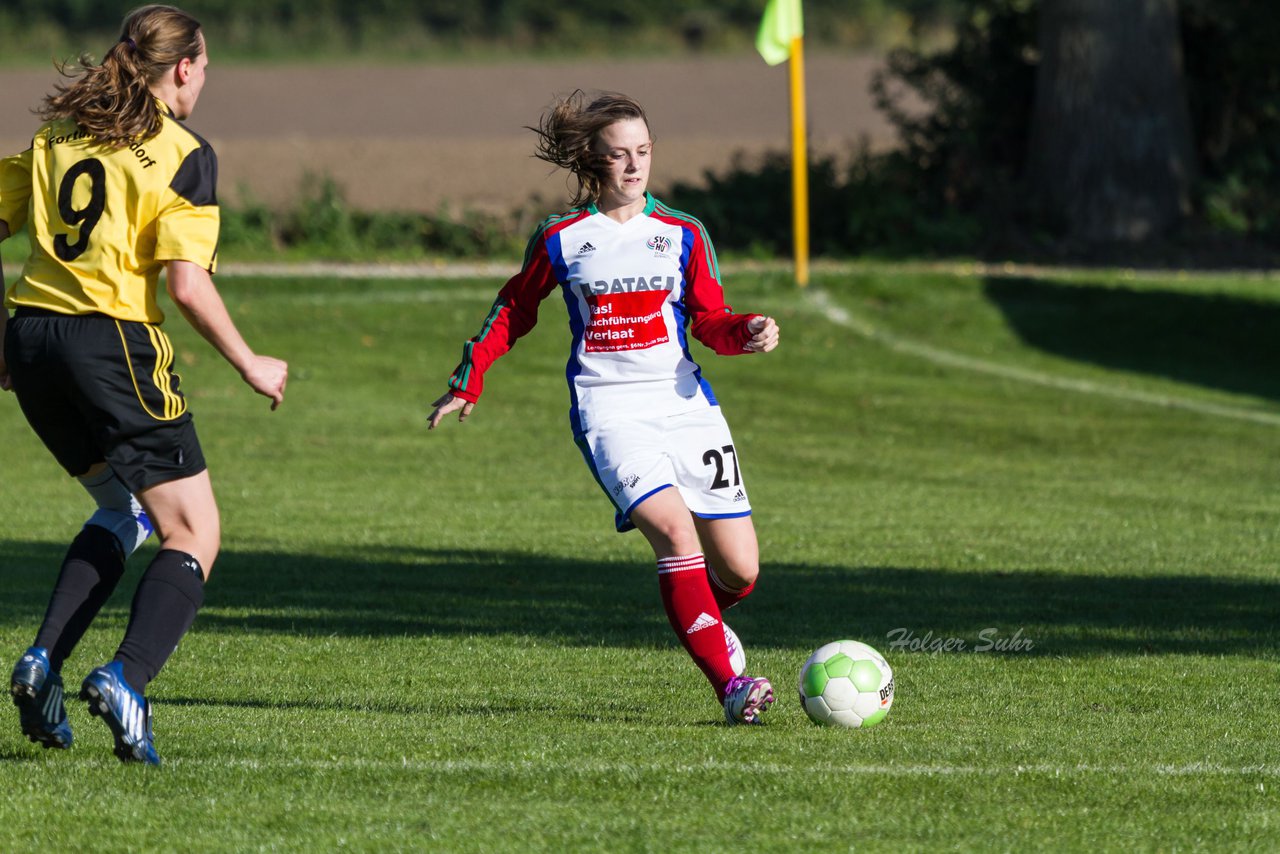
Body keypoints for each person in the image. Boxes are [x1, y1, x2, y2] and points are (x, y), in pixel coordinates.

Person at [429, 91, 781, 725]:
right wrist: (468, 379)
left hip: (686, 406)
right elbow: (514, 309)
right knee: (675, 535)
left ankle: (698, 616)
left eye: (643, 152)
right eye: (619, 155)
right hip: (610, 412)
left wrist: (747, 329)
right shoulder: (563, 238)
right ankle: (732, 685)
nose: (634, 165)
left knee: (741, 568)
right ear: (592, 160)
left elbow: (710, 319)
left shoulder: (682, 233)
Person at [0, 4, 288, 765]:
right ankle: (126, 678)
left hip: (31, 338)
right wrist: (250, 361)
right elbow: (187, 286)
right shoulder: (184, 150)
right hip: (112, 344)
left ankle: (42, 662)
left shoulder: (55, 134)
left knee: (119, 506)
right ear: (186, 68)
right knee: (194, 531)